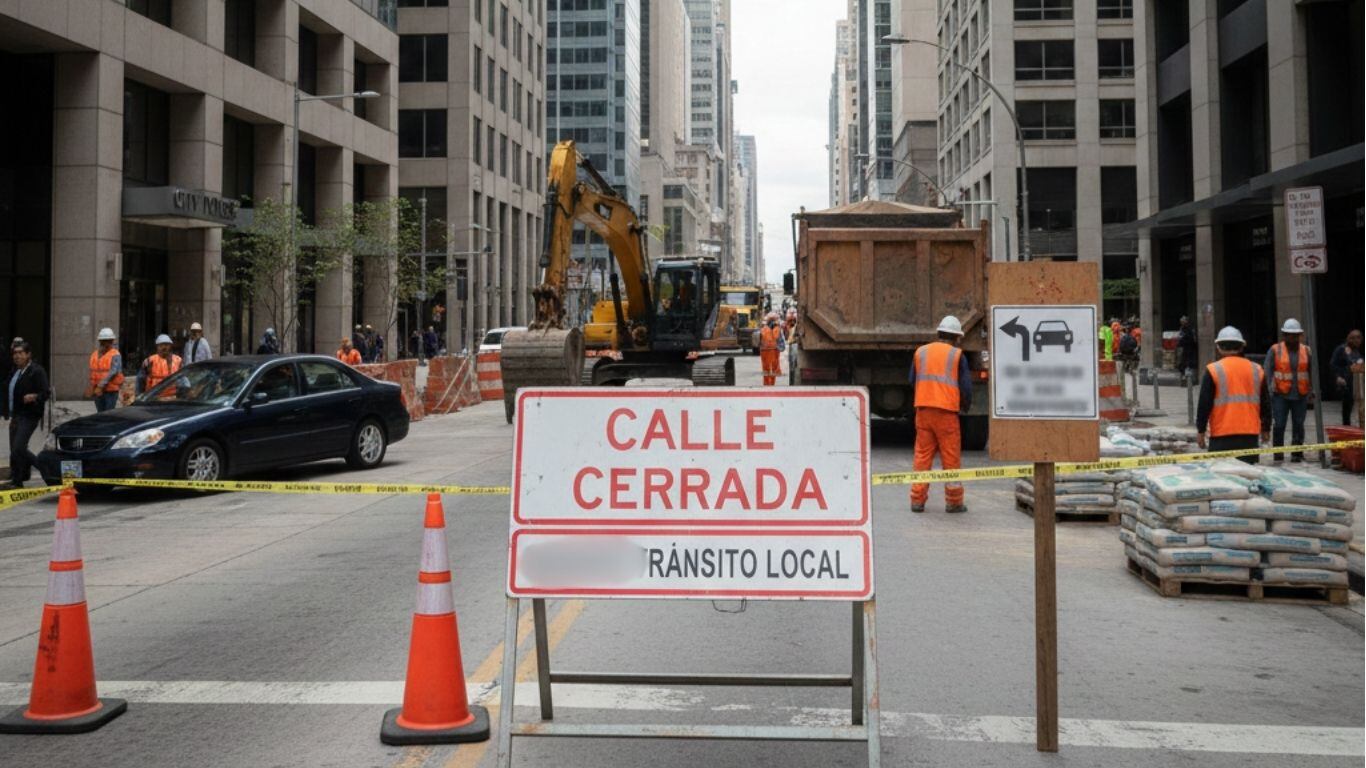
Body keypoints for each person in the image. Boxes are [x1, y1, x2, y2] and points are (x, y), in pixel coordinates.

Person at [909, 316, 973, 513]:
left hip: (924, 411)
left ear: (938, 333)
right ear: (957, 337)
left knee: (922, 456)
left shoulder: (921, 352)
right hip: (946, 413)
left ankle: (917, 501)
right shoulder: (956, 355)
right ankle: (954, 502)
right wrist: (965, 405)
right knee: (951, 458)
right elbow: (965, 387)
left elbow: (912, 380)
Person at [1196, 326, 1270, 465]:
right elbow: (1265, 403)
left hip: (1221, 435)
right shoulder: (1257, 369)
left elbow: (1204, 404)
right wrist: (1266, 428)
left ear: (1218, 347)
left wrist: (1200, 430)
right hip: (1249, 434)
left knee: (1222, 477)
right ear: (1241, 347)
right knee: (1247, 477)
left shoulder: (1213, 370)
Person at [1264, 318, 1313, 462]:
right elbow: (1267, 372)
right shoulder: (1275, 350)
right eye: (1289, 335)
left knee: (1299, 425)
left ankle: (1297, 454)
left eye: (1295, 335)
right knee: (1279, 425)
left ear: (1300, 335)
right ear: (1284, 335)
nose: (1292, 338)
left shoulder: (1306, 350)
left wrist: (1312, 391)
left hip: (1301, 395)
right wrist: (1267, 392)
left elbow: (1312, 372)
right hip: (1280, 395)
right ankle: (1278, 455)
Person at [2, 341, 49, 489]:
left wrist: (34, 396)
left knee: (19, 447)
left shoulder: (36, 371)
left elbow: (45, 392)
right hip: (16, 415)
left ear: (28, 354)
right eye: (15, 353)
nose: (17, 356)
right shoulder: (15, 372)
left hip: (29, 415)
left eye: (20, 353)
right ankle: (17, 480)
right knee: (14, 450)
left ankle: (46, 469)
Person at [1330, 329, 1363, 426]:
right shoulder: (1341, 349)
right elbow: (1333, 365)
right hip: (1347, 385)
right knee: (1347, 410)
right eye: (1353, 338)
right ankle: (1347, 429)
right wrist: (1338, 377)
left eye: (1358, 338)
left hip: (1358, 385)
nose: (1356, 340)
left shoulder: (1358, 351)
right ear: (1348, 339)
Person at [86, 327, 124, 412]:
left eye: (109, 341)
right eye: (104, 340)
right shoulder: (94, 355)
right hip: (98, 391)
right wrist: (92, 387)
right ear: (100, 341)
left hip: (110, 391)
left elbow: (113, 372)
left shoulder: (115, 354)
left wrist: (100, 385)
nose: (107, 343)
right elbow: (93, 372)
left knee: (108, 413)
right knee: (100, 413)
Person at [758, 312, 786, 386]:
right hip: (773, 351)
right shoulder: (776, 329)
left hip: (765, 351)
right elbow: (780, 341)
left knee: (766, 368)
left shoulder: (763, 329)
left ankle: (767, 384)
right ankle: (770, 384)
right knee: (772, 368)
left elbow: (759, 340)